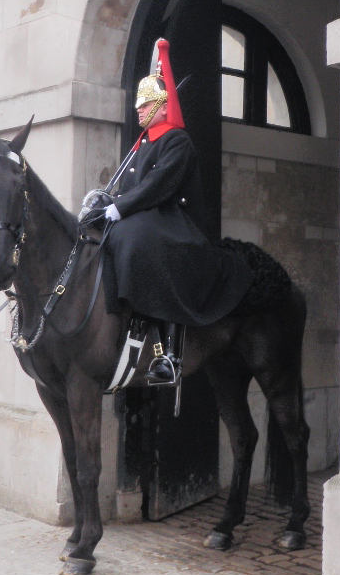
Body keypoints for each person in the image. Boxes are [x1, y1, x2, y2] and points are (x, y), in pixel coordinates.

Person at [101, 39, 251, 386]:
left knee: (137, 240)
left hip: (176, 221)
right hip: (148, 216)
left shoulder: (177, 142)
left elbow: (157, 186)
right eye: (138, 105)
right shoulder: (144, 144)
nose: (139, 110)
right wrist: (105, 203)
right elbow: (129, 188)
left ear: (163, 106)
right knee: (110, 234)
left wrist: (120, 208)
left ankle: (167, 354)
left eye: (146, 104)